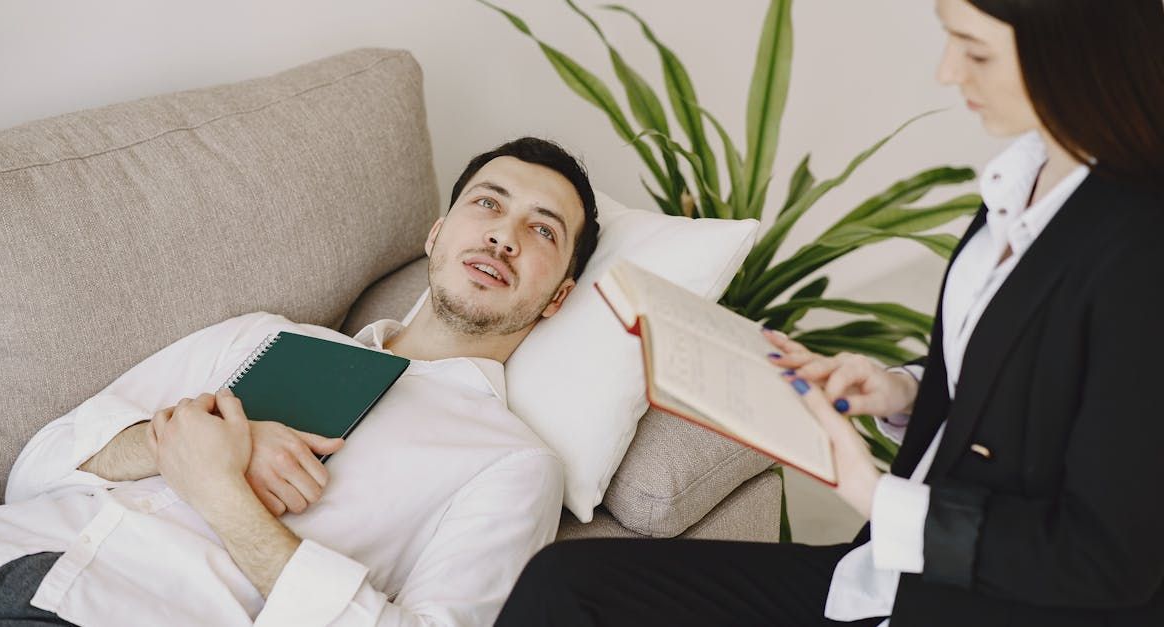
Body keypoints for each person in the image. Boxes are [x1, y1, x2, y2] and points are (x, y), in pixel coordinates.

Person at [495, 1, 1164, 625]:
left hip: (982, 599)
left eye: (976, 51)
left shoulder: (1139, 251)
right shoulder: (1025, 179)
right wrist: (904, 389)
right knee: (565, 583)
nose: (947, 71)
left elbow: (1107, 561)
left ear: (1073, 51)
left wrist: (872, 494)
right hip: (884, 576)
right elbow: (1029, 369)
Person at [0, 136, 600, 626]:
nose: (503, 235)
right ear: (437, 235)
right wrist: (188, 439)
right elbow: (33, 471)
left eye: (542, 229)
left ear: (558, 297)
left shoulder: (513, 463)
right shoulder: (263, 335)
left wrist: (222, 493)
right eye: (488, 203)